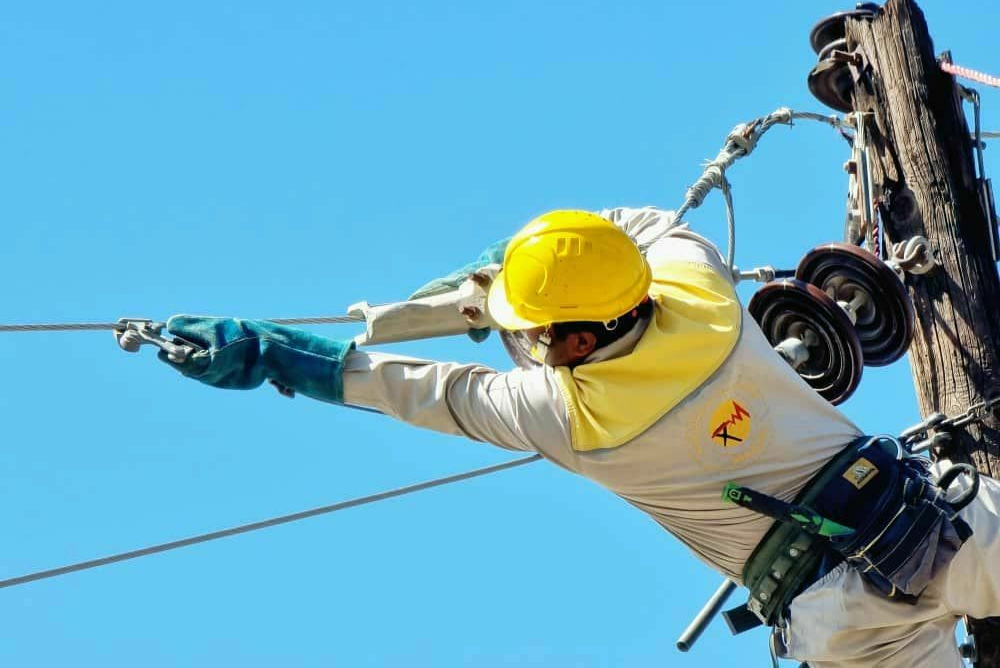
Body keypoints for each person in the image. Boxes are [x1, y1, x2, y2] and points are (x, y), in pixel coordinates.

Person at [159, 207, 1000, 668]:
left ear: (581, 340)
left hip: (848, 622)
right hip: (936, 526)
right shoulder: (697, 290)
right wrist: (492, 280)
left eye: (538, 331)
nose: (528, 344)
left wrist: (270, 351)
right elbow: (624, 225)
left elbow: (404, 388)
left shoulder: (576, 422)